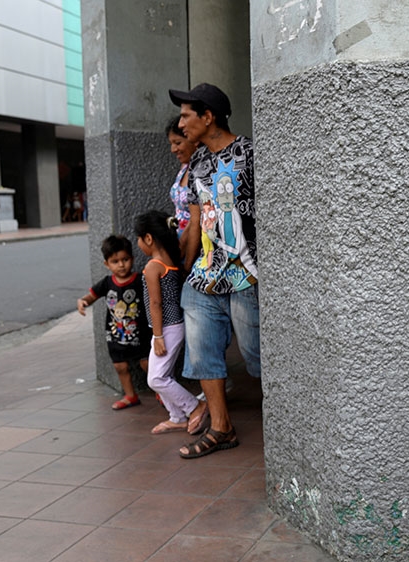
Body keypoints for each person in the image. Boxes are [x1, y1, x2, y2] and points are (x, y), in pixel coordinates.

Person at [169, 82, 260, 459]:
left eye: (187, 114)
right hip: (205, 276)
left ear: (209, 117)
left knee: (258, 357)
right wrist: (183, 269)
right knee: (204, 351)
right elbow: (193, 222)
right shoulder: (198, 163)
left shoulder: (250, 153)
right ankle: (222, 428)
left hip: (247, 274)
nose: (181, 122)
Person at [134, 210, 205, 434]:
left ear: (148, 238)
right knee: (163, 375)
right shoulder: (172, 262)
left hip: (167, 328)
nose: (138, 244)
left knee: (156, 378)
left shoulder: (153, 267)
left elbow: (155, 304)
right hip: (175, 326)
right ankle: (176, 416)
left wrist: (157, 336)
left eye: (138, 238)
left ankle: (194, 406)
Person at [77, 235, 150, 410]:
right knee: (120, 366)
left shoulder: (141, 280)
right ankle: (130, 395)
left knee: (148, 364)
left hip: (141, 336)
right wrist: (83, 301)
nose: (121, 265)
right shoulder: (107, 283)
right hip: (116, 336)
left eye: (125, 259)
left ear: (132, 259)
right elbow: (92, 296)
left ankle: (162, 392)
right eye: (115, 261)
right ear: (107, 264)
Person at [166, 115, 201, 271]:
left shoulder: (202, 169)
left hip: (193, 249)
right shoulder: (184, 168)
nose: (173, 149)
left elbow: (196, 219)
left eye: (178, 143)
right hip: (178, 247)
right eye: (171, 144)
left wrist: (185, 260)